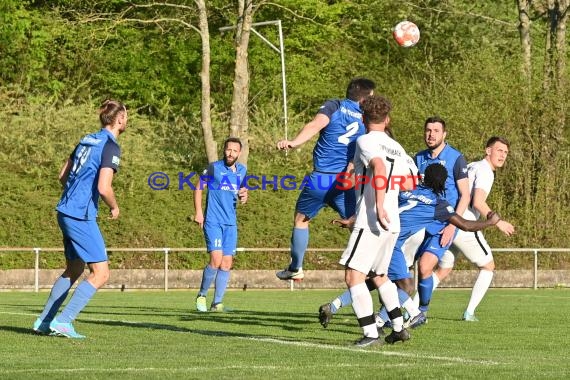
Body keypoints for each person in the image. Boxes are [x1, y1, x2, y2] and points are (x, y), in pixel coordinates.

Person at [319, 164, 500, 329]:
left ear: (424, 177)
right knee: (396, 283)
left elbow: (377, 205)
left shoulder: (406, 190)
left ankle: (341, 308)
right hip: (389, 243)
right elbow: (467, 225)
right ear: (443, 183)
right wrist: (491, 222)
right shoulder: (438, 204)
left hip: (383, 239)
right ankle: (394, 318)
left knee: (383, 280)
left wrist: (351, 219)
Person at [33, 100, 128, 338]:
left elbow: (62, 175)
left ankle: (44, 322)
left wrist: (76, 193)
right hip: (80, 215)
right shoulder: (110, 146)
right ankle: (64, 321)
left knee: (74, 268)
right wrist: (114, 207)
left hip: (65, 210)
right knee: (101, 273)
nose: (126, 120)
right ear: (119, 119)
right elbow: (104, 187)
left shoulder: (86, 139)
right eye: (126, 116)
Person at [275, 78, 376, 281]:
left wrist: (294, 142)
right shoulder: (367, 119)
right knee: (355, 223)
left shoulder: (334, 106)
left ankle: (296, 267)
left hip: (321, 179)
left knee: (301, 220)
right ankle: (372, 267)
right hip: (347, 181)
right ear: (364, 98)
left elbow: (315, 124)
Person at [338, 94, 415, 347]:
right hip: (392, 221)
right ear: (387, 119)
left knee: (353, 276)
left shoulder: (365, 140)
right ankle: (399, 327)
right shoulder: (397, 147)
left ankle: (371, 334)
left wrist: (378, 205)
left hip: (373, 219)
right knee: (380, 275)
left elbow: (379, 167)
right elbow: (410, 182)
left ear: (363, 119)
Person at [431, 137, 515, 321]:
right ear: (488, 151)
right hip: (464, 223)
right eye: (499, 150)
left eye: (506, 152)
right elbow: (477, 202)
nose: (503, 155)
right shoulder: (485, 171)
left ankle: (412, 308)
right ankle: (469, 312)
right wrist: (498, 222)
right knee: (488, 266)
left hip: (449, 220)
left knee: (443, 269)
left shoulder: (472, 166)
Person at [414, 116, 471, 315]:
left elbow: (465, 195)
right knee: (397, 267)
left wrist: (453, 225)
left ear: (444, 134)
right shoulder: (418, 158)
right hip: (419, 220)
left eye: (436, 131)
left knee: (424, 266)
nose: (431, 135)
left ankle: (422, 312)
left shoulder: (455, 158)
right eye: (428, 130)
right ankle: (390, 310)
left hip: (443, 223)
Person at [194, 137, 248, 312]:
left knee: (226, 264)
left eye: (234, 151)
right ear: (224, 150)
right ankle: (202, 295)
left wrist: (244, 196)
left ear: (239, 153)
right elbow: (198, 188)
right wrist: (199, 212)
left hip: (230, 224)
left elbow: (242, 193)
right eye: (228, 149)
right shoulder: (214, 168)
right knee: (216, 261)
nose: (230, 153)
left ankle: (217, 303)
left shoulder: (242, 170)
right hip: (213, 221)